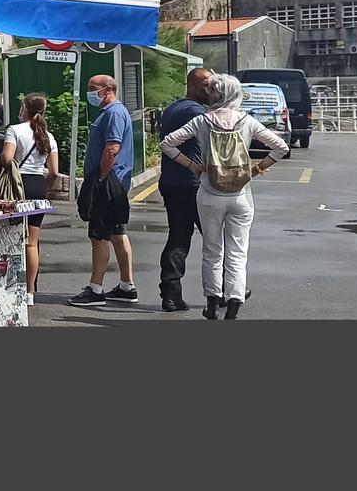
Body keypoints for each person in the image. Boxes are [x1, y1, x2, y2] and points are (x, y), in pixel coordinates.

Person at [160, 73, 287, 319]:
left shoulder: (202, 121)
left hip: (209, 192)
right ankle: (235, 303)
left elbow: (167, 144)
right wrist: (257, 169)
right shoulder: (247, 121)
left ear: (214, 93)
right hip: (241, 194)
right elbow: (281, 147)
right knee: (238, 251)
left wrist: (193, 166)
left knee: (212, 251)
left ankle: (211, 303)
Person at [68, 75, 139, 307]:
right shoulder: (110, 112)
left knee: (98, 234)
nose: (90, 92)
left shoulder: (113, 113)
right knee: (117, 232)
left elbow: (112, 149)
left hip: (108, 182)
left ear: (108, 89)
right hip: (113, 181)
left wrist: (100, 177)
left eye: (93, 88)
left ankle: (95, 288)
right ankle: (127, 286)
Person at [156, 68, 214, 312]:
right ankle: (226, 290)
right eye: (207, 86)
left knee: (178, 237)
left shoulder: (173, 108)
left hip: (170, 182)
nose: (211, 91)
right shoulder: (196, 113)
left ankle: (171, 293)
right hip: (193, 184)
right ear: (195, 86)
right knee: (215, 240)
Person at [0, 92, 60, 305]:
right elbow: (53, 171)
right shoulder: (48, 136)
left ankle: (6, 286)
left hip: (17, 186)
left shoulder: (14, 130)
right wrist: (46, 186)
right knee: (32, 243)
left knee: (10, 235)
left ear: (24, 107)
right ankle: (29, 291)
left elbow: (7, 158)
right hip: (37, 186)